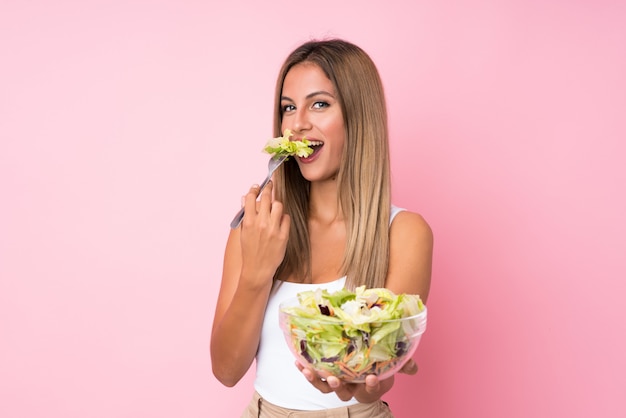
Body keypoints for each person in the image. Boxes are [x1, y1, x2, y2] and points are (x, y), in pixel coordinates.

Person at [211, 39, 433, 417]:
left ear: (359, 117)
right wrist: (256, 273)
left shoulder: (405, 233)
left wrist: (366, 377)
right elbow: (227, 370)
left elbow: (373, 380)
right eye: (288, 108)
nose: (297, 123)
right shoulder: (258, 228)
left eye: (320, 104)